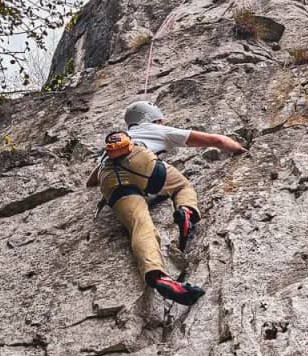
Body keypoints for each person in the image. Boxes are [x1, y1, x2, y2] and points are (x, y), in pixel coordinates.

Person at [87, 101, 246, 305]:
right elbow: (215, 140)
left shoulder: (110, 148)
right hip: (141, 162)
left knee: (139, 224)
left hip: (109, 176)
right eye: (159, 119)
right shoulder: (155, 129)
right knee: (182, 186)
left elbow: (91, 180)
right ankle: (186, 210)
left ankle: (157, 276)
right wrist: (241, 150)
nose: (161, 122)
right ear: (151, 118)